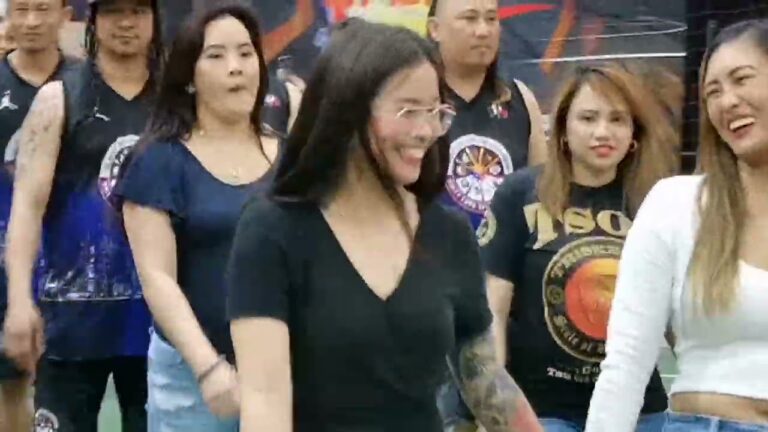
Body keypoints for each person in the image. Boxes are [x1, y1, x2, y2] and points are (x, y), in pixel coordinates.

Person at [227, 19, 543, 432]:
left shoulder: (447, 233)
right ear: (348, 110)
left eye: (436, 112)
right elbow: (264, 400)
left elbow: (485, 379)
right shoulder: (272, 230)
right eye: (409, 111)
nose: (426, 131)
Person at [586, 18, 768, 432]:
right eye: (713, 92)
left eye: (742, 80)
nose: (728, 101)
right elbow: (627, 362)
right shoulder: (675, 205)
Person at [482, 63, 678, 432]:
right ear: (563, 130)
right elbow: (493, 308)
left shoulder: (657, 202)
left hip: (639, 410)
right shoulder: (520, 194)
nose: (603, 132)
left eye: (617, 119)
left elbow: (676, 316)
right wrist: (494, 406)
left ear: (634, 134)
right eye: (588, 118)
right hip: (543, 411)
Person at [116, 3, 278, 431]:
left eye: (246, 53)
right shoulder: (159, 161)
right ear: (189, 76)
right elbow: (158, 279)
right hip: (195, 379)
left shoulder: (291, 157)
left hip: (282, 370)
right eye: (216, 55)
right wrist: (208, 368)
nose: (235, 67)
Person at [2, 0, 162, 431]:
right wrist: (19, 300)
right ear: (93, 20)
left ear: (154, 19)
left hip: (160, 324)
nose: (125, 23)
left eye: (137, 11)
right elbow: (26, 206)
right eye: (113, 12)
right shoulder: (58, 97)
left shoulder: (176, 101)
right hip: (70, 322)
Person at [0, 1, 76, 430]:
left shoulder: (85, 84)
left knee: (67, 390)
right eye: (21, 9)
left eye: (43, 9)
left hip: (74, 269)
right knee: (11, 384)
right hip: (6, 263)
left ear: (66, 14)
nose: (31, 22)